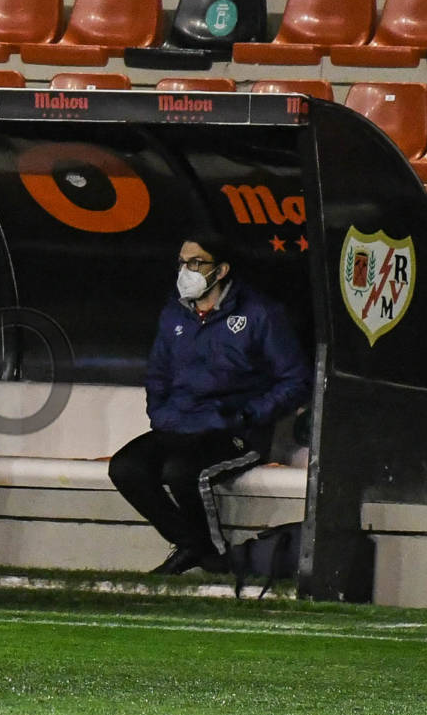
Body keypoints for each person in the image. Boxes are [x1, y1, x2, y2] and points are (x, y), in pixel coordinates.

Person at [109, 231, 308, 575]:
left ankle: (215, 558)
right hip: (178, 423)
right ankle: (194, 546)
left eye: (196, 262)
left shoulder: (260, 313)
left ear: (222, 269)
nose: (186, 270)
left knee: (182, 471)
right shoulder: (174, 313)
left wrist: (247, 414)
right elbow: (158, 372)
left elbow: (295, 380)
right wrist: (159, 411)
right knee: (125, 467)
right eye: (183, 262)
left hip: (234, 430)